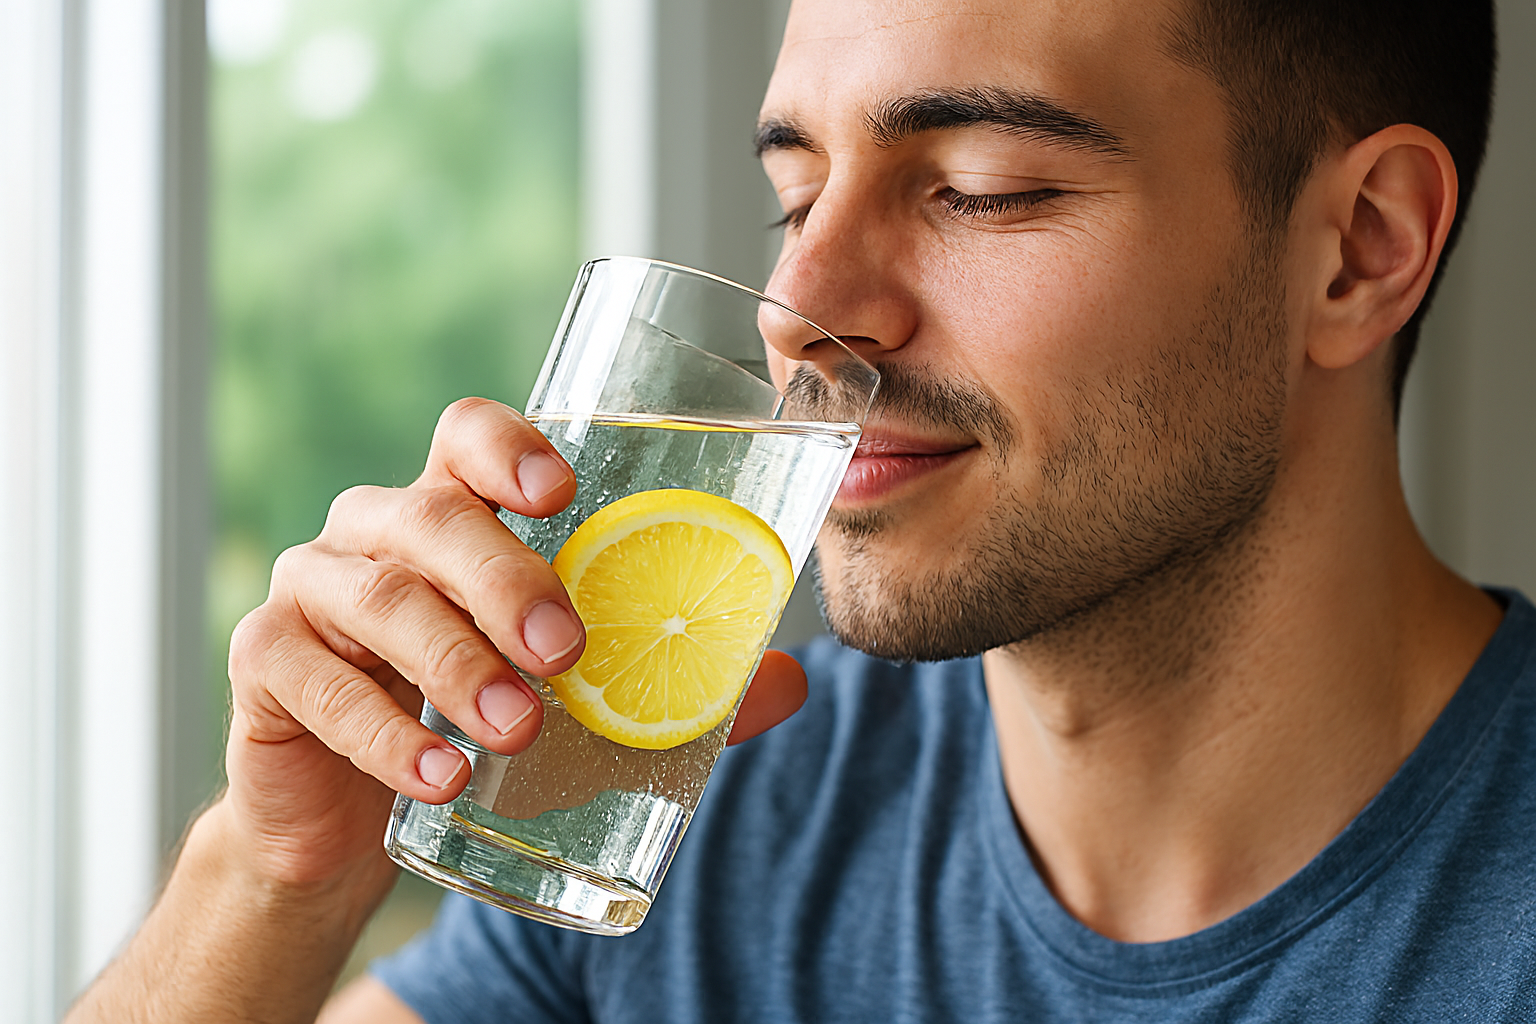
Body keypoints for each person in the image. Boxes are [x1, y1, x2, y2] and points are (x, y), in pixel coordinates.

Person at [69, 0, 1527, 1019]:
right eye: (795, 196)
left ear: (1360, 249)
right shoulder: (700, 812)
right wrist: (268, 885)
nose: (803, 313)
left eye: (982, 188)